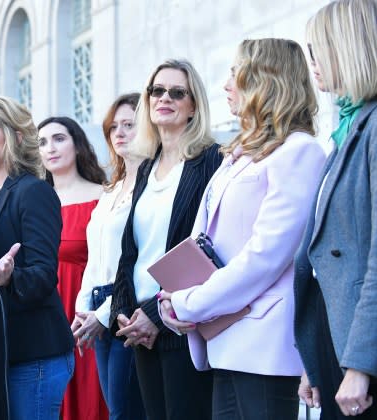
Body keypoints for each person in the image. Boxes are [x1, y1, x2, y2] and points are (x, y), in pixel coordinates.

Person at [158, 39, 326, 419]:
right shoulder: (237, 156)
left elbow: (265, 256)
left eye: (236, 73)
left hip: (265, 347)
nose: (226, 84)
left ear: (265, 80)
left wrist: (192, 303)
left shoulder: (300, 151)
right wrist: (172, 301)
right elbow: (205, 243)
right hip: (223, 339)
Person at [109, 59, 222, 420]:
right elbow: (131, 251)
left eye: (177, 92)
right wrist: (123, 313)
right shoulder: (146, 167)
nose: (165, 98)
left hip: (182, 320)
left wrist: (155, 317)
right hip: (138, 326)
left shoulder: (211, 161)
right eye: (157, 90)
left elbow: (206, 247)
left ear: (193, 106)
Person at [0, 95, 74, 419]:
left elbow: (43, 274)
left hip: (33, 354)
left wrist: (11, 278)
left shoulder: (33, 192)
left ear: (14, 136)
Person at [294, 0, 377, 417]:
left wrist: (361, 363)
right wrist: (315, 358)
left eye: (317, 49)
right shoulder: (347, 127)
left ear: (347, 47)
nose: (312, 63)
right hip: (335, 341)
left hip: (362, 355)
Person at [71, 93, 146, 419]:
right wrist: (82, 307)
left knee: (125, 412)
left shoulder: (151, 185)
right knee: (115, 408)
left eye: (129, 125)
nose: (119, 133)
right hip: (99, 303)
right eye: (113, 126)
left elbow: (143, 258)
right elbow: (95, 254)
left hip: (128, 304)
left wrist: (104, 312)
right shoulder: (111, 189)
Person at [37, 116, 108, 420]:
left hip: (87, 316)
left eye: (58, 138)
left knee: (92, 401)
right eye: (42, 142)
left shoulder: (103, 196)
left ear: (77, 145)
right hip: (44, 315)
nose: (50, 148)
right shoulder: (33, 199)